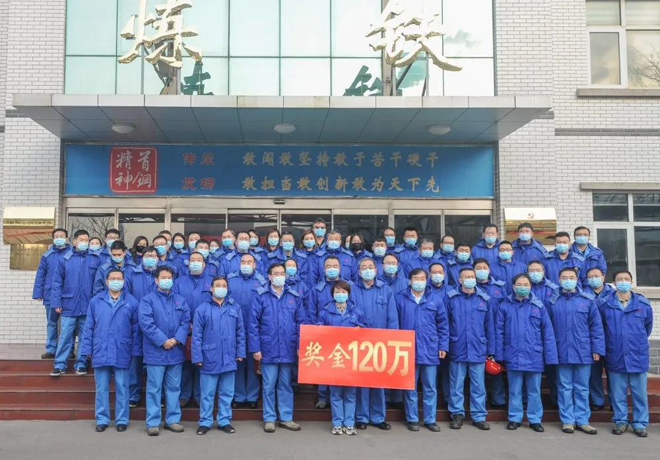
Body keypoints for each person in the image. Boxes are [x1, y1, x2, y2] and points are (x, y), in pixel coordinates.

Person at [495, 274, 558, 433]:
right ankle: (514, 418)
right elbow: (499, 332)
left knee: (534, 391)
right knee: (514, 390)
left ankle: (535, 419)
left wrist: (550, 357)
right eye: (519, 284)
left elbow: (548, 333)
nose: (523, 287)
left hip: (534, 355)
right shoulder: (504, 306)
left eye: (526, 284)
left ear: (530, 286)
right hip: (512, 354)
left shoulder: (539, 306)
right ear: (513, 286)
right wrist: (499, 355)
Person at [249, 263, 306, 433]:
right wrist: (256, 349)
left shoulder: (294, 296)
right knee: (268, 385)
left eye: (282, 273)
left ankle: (286, 418)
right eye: (276, 273)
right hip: (268, 348)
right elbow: (253, 324)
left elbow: (301, 323)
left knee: (285, 384)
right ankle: (269, 418)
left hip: (288, 348)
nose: (280, 276)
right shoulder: (260, 296)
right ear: (269, 276)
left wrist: (300, 345)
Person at [80, 269, 139, 432]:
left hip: (122, 349)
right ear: (106, 282)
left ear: (124, 281)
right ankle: (102, 419)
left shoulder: (131, 302)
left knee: (122, 387)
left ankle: (122, 420)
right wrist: (87, 349)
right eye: (113, 278)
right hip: (101, 349)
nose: (116, 281)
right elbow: (88, 327)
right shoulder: (96, 301)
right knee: (101, 388)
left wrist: (135, 350)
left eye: (119, 278)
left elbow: (136, 329)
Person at [548, 268, 605, 435]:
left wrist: (597, 348)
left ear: (577, 280)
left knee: (582, 387)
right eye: (564, 277)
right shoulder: (552, 301)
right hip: (561, 350)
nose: (568, 280)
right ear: (559, 280)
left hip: (583, 350)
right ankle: (567, 420)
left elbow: (596, 327)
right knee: (564, 387)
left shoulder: (587, 300)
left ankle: (582, 420)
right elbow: (547, 328)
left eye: (571, 277)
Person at [598, 270, 653, 438]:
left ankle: (640, 423)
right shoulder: (605, 304)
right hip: (615, 353)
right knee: (617, 393)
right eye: (619, 279)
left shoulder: (643, 304)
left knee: (639, 394)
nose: (623, 281)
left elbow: (647, 327)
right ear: (614, 283)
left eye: (626, 279)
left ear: (631, 281)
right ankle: (620, 421)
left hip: (637, 354)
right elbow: (601, 328)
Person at [138, 266, 191, 436]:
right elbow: (146, 324)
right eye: (163, 277)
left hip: (175, 351)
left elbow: (186, 322)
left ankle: (172, 420)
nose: (167, 280)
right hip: (155, 352)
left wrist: (175, 340)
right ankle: (153, 422)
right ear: (156, 280)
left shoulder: (180, 300)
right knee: (154, 388)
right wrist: (163, 341)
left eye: (169, 277)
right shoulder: (147, 300)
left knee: (174, 388)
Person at [396, 269, 449, 432]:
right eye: (416, 278)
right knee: (410, 387)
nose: (419, 281)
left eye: (422, 278)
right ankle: (412, 419)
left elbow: (443, 325)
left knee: (430, 387)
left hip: (430, 349)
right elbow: (395, 324)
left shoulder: (436, 299)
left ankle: (430, 419)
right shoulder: (400, 298)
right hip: (408, 348)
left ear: (427, 280)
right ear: (410, 281)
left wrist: (443, 346)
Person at [192, 276, 246, 435]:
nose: (221, 288)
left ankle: (224, 421)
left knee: (227, 393)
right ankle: (205, 421)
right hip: (209, 356)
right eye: (218, 285)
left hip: (229, 356)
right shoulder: (202, 309)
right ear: (211, 288)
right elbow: (196, 335)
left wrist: (240, 352)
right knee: (207, 394)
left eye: (224, 285)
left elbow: (240, 332)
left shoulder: (235, 307)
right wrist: (197, 357)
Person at [445, 268, 496, 431]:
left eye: (472, 276)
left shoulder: (484, 299)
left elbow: (490, 326)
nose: (470, 279)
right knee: (456, 384)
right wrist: (444, 346)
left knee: (478, 385)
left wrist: (491, 350)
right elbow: (444, 324)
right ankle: (457, 414)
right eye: (466, 277)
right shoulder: (451, 298)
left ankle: (479, 416)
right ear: (459, 280)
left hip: (478, 347)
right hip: (457, 346)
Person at [353, 258, 398, 431]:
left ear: (376, 270)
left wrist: (392, 340)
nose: (367, 270)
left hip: (381, 341)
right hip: (359, 342)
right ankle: (362, 416)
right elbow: (349, 312)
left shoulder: (385, 290)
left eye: (370, 267)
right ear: (359, 272)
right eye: (363, 267)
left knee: (379, 381)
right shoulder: (352, 289)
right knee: (362, 381)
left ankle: (378, 417)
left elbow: (392, 317)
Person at [49, 230, 101, 377]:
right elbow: (57, 283)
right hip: (68, 304)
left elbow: (99, 283)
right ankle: (60, 364)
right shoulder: (65, 259)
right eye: (81, 240)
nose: (84, 242)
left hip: (88, 305)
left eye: (86, 240)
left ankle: (81, 364)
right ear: (75, 241)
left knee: (85, 336)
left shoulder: (95, 259)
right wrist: (56, 302)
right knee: (65, 335)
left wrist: (96, 304)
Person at [317, 281, 364, 435]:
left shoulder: (356, 311)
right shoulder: (325, 312)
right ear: (333, 294)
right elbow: (318, 331)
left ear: (348, 294)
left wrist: (360, 329)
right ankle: (337, 423)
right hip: (333, 357)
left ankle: (349, 423)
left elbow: (366, 331)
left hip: (351, 358)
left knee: (350, 393)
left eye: (344, 292)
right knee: (335, 393)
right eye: (337, 291)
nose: (340, 294)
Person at [309, 255, 354, 408]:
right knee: (324, 366)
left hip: (346, 336)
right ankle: (322, 396)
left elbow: (354, 307)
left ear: (340, 268)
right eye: (329, 266)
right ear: (324, 269)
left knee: (343, 366)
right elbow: (311, 312)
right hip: (324, 335)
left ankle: (343, 398)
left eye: (335, 266)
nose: (332, 268)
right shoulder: (317, 289)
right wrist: (315, 332)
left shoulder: (348, 286)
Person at [173, 251, 214, 407]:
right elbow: (175, 304)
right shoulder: (179, 282)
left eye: (199, 260)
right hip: (184, 329)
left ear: (204, 265)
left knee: (202, 363)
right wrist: (187, 322)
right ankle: (184, 395)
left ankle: (199, 395)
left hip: (206, 329)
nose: (195, 262)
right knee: (185, 363)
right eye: (192, 260)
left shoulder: (211, 282)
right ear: (188, 264)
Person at [227, 254, 267, 409]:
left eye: (249, 262)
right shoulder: (230, 280)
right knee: (237, 362)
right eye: (243, 261)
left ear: (255, 265)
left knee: (252, 363)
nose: (246, 264)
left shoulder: (262, 281)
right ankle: (238, 396)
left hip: (254, 328)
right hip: (234, 326)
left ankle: (252, 396)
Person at [125, 246, 160, 408]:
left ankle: (159, 396)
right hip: (136, 322)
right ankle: (133, 394)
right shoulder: (132, 274)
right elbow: (126, 296)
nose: (150, 258)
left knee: (156, 360)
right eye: (147, 255)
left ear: (158, 258)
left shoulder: (163, 275)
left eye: (153, 255)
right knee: (135, 358)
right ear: (142, 257)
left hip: (158, 323)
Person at [473, 258, 506, 408]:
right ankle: (483, 400)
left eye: (484, 267)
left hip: (497, 329)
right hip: (478, 330)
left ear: (489, 270)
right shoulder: (471, 288)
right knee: (478, 370)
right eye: (478, 268)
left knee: (495, 365)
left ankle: (498, 399)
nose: (482, 270)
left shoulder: (499, 287)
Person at [33, 228, 70, 359]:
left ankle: (69, 349)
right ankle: (51, 349)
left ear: (67, 238)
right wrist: (38, 292)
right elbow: (41, 275)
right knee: (52, 323)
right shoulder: (47, 255)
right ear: (53, 239)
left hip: (68, 295)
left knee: (68, 325)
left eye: (62, 236)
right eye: (56, 236)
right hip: (50, 294)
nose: (59, 238)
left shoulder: (72, 254)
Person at [527, 260, 561, 407]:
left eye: (538, 270)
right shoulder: (524, 287)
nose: (535, 273)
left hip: (550, 333)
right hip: (529, 334)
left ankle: (555, 400)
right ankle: (527, 402)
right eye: (532, 270)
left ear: (543, 271)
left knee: (552, 370)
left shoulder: (554, 289)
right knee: (529, 372)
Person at [584, 267, 614, 411]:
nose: (594, 279)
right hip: (592, 339)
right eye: (590, 277)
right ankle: (597, 400)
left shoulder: (614, 294)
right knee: (594, 372)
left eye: (596, 276)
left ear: (603, 277)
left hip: (612, 339)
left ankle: (614, 402)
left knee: (613, 373)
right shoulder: (584, 295)